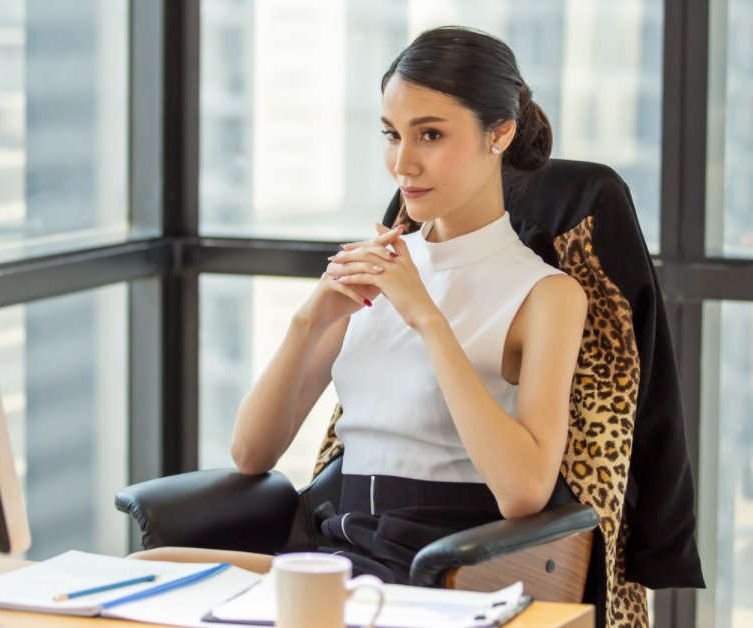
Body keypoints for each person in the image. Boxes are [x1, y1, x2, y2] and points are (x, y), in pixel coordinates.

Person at [132, 25, 587, 584]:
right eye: (392, 134)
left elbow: (524, 492)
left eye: (431, 135)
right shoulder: (380, 267)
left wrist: (427, 318)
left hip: (434, 565)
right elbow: (251, 453)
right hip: (333, 546)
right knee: (146, 574)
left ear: (500, 134)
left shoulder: (545, 294)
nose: (403, 165)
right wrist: (310, 319)